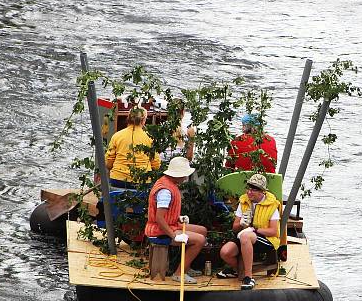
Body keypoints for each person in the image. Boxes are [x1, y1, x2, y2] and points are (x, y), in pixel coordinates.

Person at [144, 156, 208, 284]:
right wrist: (174, 236)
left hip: (170, 224)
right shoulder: (165, 191)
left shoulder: (169, 183)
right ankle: (179, 273)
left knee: (202, 230)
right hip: (159, 230)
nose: (185, 178)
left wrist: (178, 217)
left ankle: (186, 266)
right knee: (199, 240)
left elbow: (165, 213)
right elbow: (159, 218)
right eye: (184, 175)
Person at [217, 173, 282, 290]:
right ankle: (238, 271)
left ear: (262, 192)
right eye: (249, 188)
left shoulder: (271, 205)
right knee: (225, 252)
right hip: (244, 236)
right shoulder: (244, 202)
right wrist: (242, 223)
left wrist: (255, 229)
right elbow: (235, 228)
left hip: (267, 240)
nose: (249, 192)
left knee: (246, 237)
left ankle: (248, 277)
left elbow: (273, 231)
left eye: (253, 190)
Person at [105, 106, 161, 188]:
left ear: (128, 118)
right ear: (143, 121)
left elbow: (109, 162)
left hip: (118, 180)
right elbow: (156, 165)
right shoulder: (149, 138)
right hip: (142, 181)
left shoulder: (117, 136)